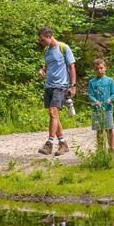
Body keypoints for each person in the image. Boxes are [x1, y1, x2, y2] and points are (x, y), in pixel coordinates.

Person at [37, 27, 76, 156]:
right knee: (54, 115)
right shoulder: (46, 50)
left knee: (53, 112)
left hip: (61, 86)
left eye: (43, 40)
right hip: (48, 86)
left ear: (50, 36)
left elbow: (71, 67)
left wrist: (73, 85)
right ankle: (63, 143)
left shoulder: (63, 47)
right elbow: (48, 66)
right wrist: (42, 71)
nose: (42, 42)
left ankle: (49, 144)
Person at [88, 59, 114, 151]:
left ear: (105, 68)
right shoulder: (92, 82)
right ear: (94, 70)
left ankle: (111, 148)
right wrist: (95, 101)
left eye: (101, 68)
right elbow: (90, 95)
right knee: (99, 130)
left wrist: (110, 99)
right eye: (97, 69)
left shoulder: (110, 80)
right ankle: (100, 150)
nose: (99, 70)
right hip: (96, 110)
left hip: (107, 109)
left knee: (109, 129)